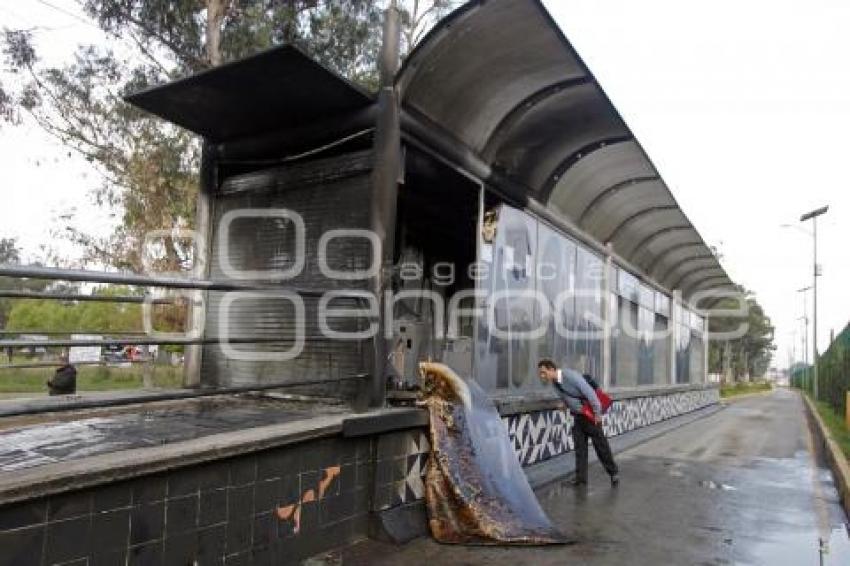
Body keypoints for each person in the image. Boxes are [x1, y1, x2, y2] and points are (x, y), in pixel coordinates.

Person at [537, 358, 619, 487]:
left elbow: (589, 393)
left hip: (590, 416)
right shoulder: (554, 382)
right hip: (578, 417)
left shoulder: (569, 375)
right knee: (580, 449)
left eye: (543, 372)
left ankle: (613, 473)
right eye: (540, 374)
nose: (542, 376)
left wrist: (598, 414)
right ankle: (581, 479)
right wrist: (565, 405)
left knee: (601, 446)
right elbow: (566, 396)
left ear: (551, 369)